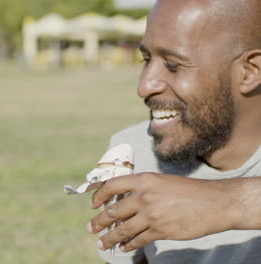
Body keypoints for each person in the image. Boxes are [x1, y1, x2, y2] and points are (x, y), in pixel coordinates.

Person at [85, 0, 261, 263]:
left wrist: (222, 203)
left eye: (173, 64)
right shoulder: (133, 152)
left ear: (250, 72)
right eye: (146, 59)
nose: (144, 87)